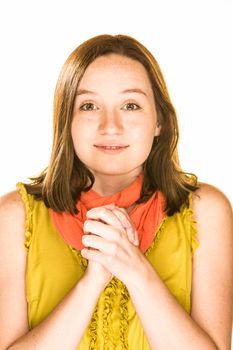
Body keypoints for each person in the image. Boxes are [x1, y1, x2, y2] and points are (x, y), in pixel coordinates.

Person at [0, 33, 232, 350]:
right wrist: (93, 280)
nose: (111, 126)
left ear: (159, 121)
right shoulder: (14, 216)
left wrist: (134, 269)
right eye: (89, 105)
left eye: (131, 105)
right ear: (66, 119)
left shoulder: (207, 210)